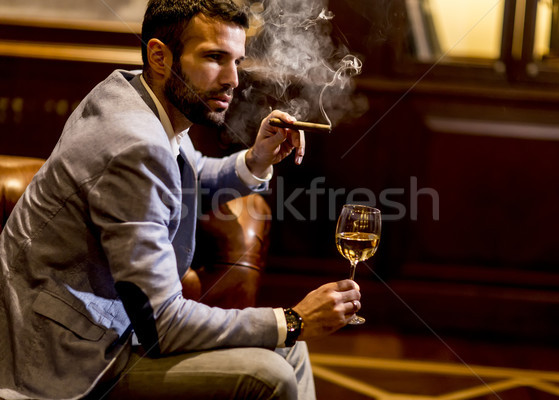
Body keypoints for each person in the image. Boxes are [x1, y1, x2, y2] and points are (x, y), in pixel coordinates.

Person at [0, 0, 362, 399]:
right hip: (70, 358)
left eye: (237, 61)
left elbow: (185, 175)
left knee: (292, 353)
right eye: (214, 58)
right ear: (159, 55)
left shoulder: (138, 94)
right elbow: (163, 323)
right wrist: (292, 319)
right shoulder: (134, 144)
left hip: (111, 326)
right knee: (269, 372)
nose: (233, 80)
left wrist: (257, 159)